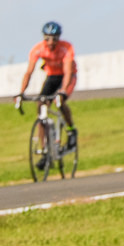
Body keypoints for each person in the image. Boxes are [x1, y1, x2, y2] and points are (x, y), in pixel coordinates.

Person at [16, 21, 78, 169]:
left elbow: (68, 72)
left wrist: (63, 91)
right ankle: (45, 150)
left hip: (67, 76)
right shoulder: (38, 49)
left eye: (54, 39)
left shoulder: (66, 48)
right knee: (41, 106)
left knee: (60, 102)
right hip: (52, 77)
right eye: (47, 38)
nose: (51, 42)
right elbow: (29, 72)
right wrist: (21, 92)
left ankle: (71, 130)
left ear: (59, 38)